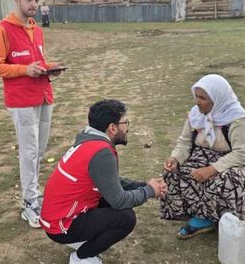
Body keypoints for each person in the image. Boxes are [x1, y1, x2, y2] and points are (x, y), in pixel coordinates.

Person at [40, 99, 167, 264]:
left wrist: (144, 185)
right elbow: (119, 201)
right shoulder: (102, 152)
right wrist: (149, 191)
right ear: (112, 128)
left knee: (112, 201)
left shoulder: (89, 140)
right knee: (126, 218)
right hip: (61, 225)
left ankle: (83, 243)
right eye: (125, 122)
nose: (127, 127)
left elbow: (108, 182)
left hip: (58, 217)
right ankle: (81, 257)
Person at [0, 0, 63, 228]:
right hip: (21, 101)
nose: (33, 4)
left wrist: (50, 68)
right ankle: (30, 202)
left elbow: (37, 62)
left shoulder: (36, 29)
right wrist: (23, 70)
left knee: (39, 150)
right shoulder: (3, 29)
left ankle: (35, 194)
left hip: (43, 95)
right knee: (29, 152)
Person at [160, 74, 245, 239]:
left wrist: (213, 169)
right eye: (196, 96)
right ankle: (198, 215)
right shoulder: (195, 114)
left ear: (217, 99)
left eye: (203, 98)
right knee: (175, 173)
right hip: (203, 156)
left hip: (235, 162)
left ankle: (225, 220)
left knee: (227, 181)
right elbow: (184, 142)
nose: (197, 101)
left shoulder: (238, 120)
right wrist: (175, 158)